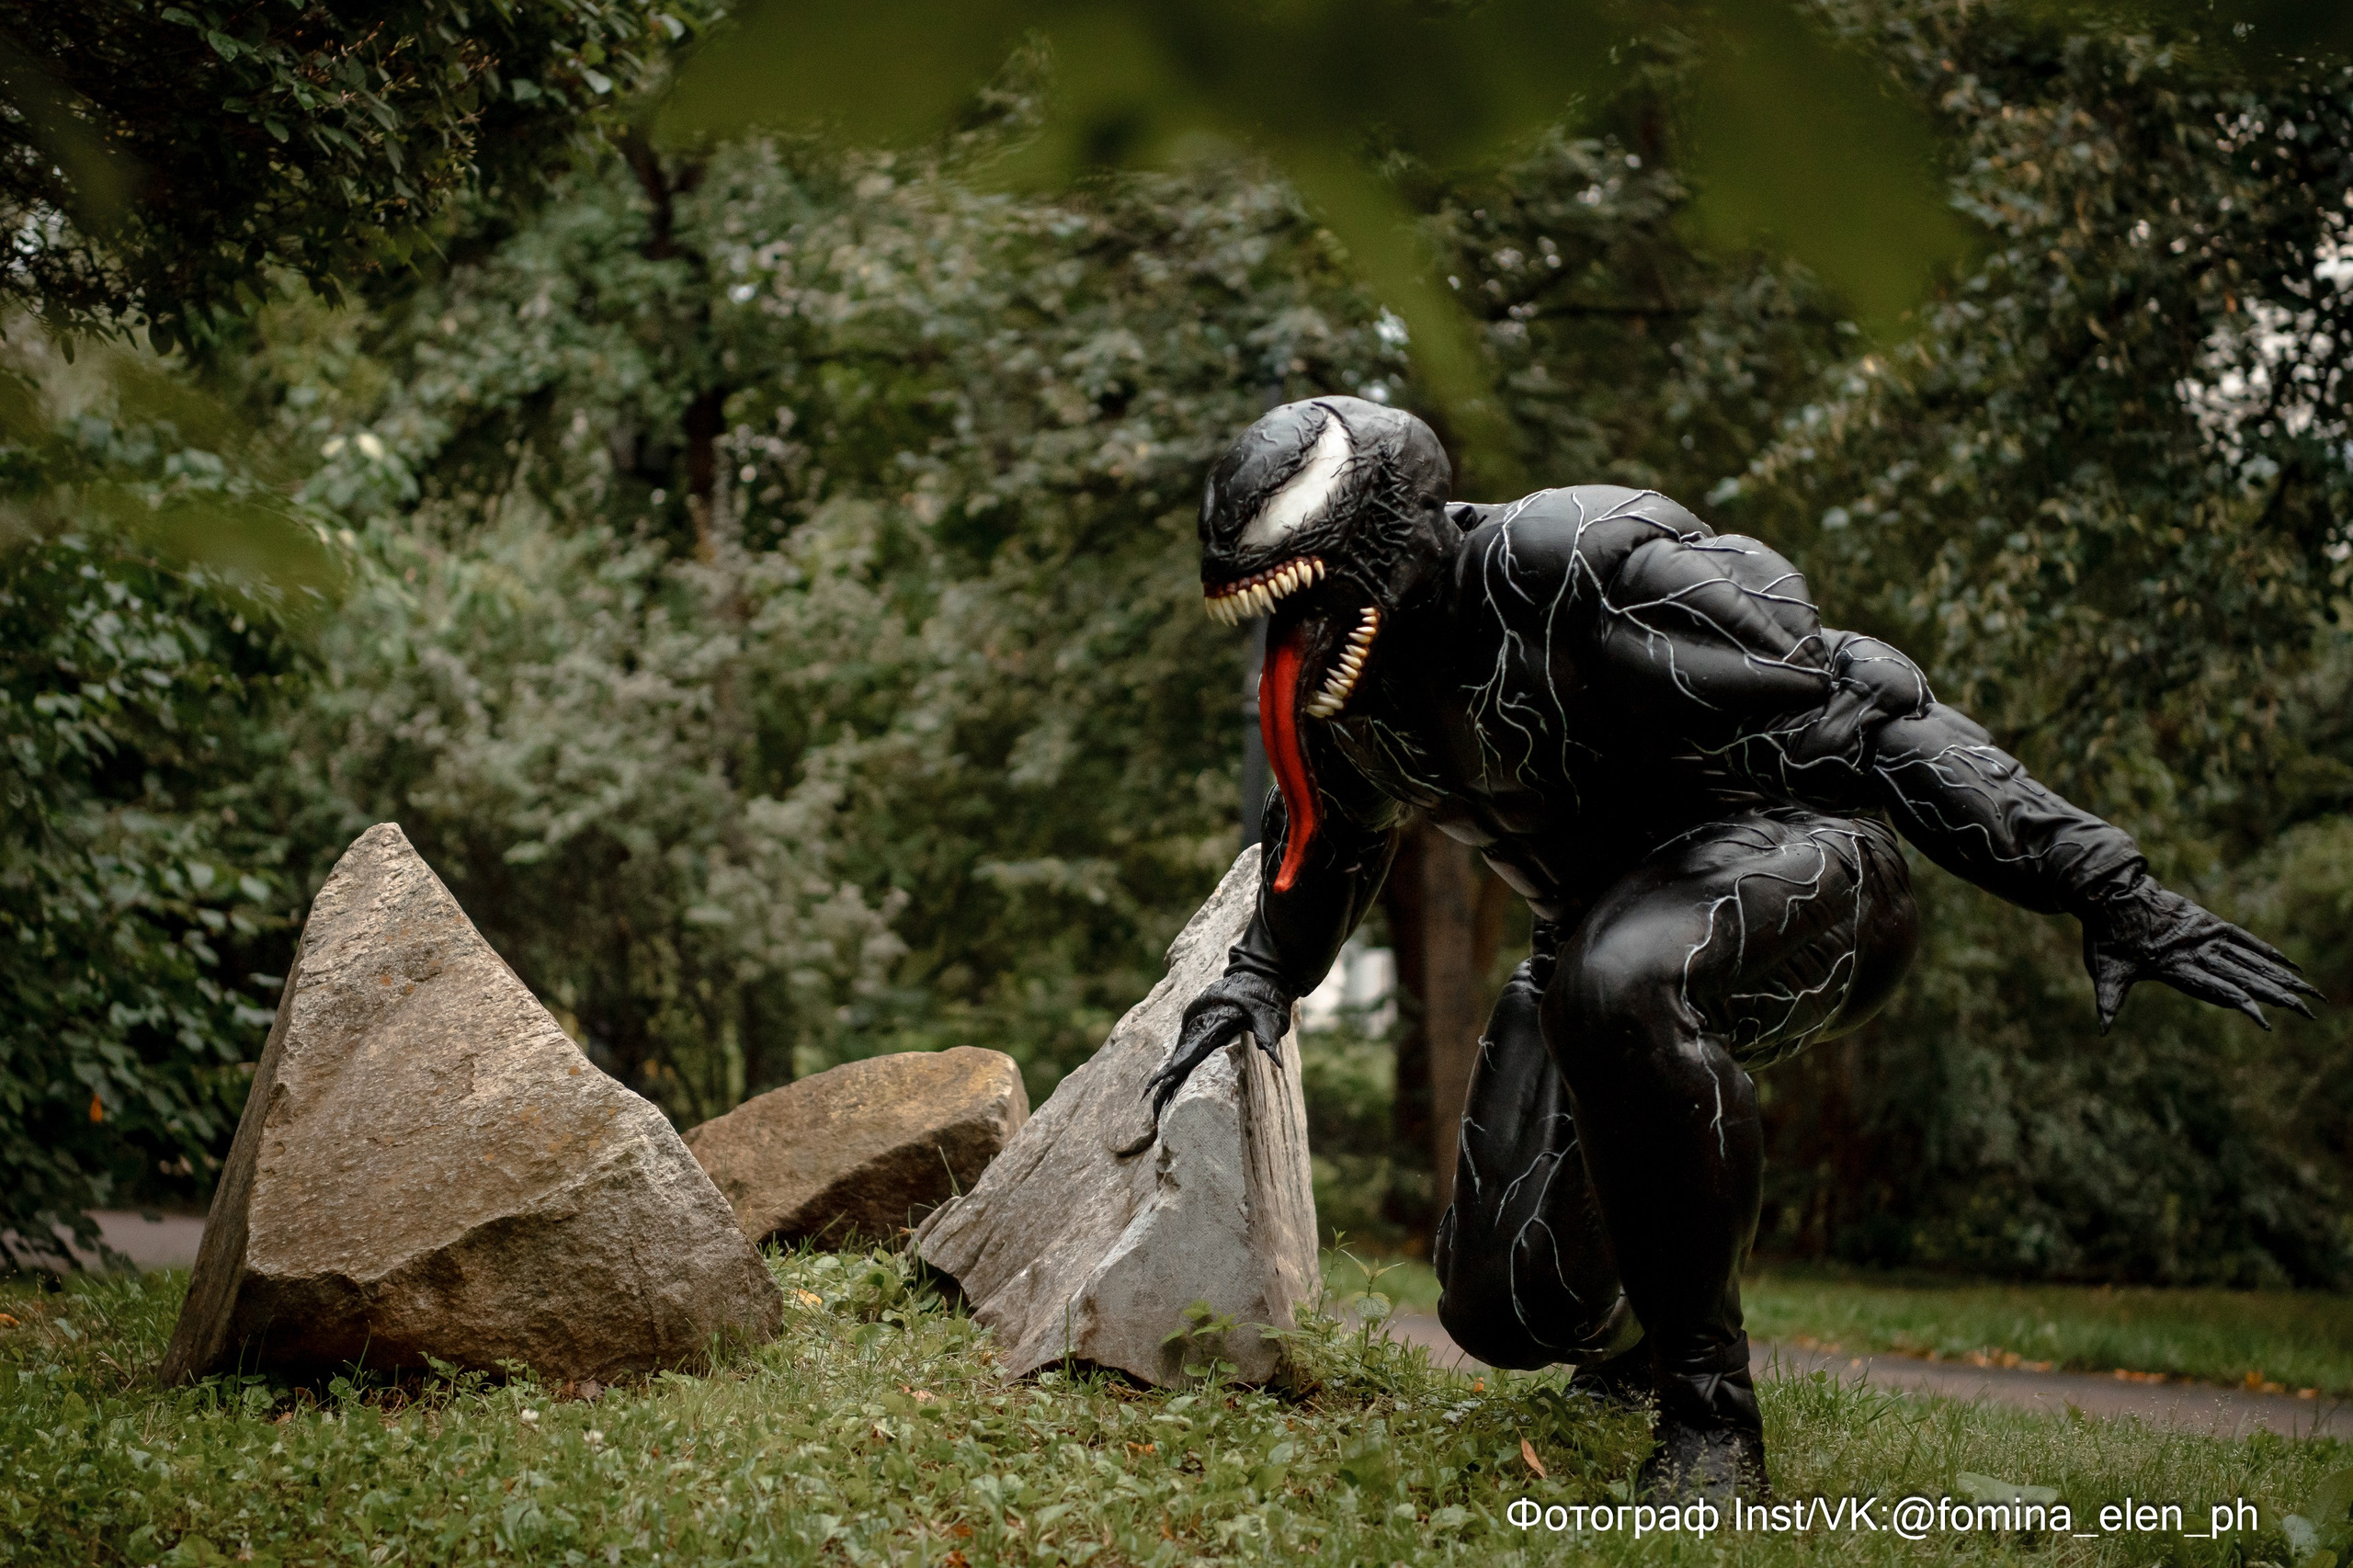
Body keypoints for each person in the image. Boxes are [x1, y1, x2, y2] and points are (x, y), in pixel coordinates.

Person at [1145, 396, 2315, 1497]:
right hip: (1597, 938)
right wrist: (1262, 974)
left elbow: (1871, 710)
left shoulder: (1571, 563)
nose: (1291, 632)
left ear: (1396, 525)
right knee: (1506, 1313)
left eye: (1311, 587)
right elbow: (1327, 837)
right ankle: (1642, 1334)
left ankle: (1710, 1415)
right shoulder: (1348, 704)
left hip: (1812, 870)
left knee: (1620, 973)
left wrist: (2107, 887)